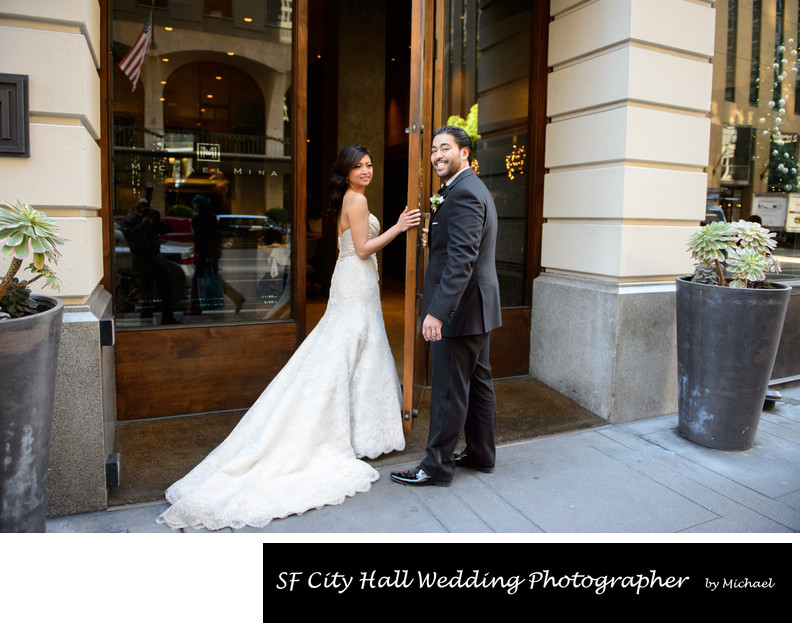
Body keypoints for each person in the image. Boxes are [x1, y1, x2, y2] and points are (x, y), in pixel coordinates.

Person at [156, 145, 420, 529]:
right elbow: (363, 249)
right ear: (345, 172)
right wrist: (398, 227)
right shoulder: (357, 201)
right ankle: (351, 432)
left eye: (369, 164)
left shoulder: (352, 199)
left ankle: (356, 430)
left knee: (349, 350)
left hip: (352, 280)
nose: (366, 171)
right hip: (355, 279)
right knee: (350, 349)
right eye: (358, 166)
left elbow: (352, 250)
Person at [391, 125, 502, 487]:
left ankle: (436, 467)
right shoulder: (464, 189)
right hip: (476, 309)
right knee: (479, 382)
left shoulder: (465, 193)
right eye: (434, 149)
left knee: (447, 390)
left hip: (461, 310)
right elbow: (459, 248)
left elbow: (462, 261)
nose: (437, 155)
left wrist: (437, 312)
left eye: (445, 148)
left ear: (464, 153)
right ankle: (481, 454)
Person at [120, 198, 177, 324]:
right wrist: (142, 225)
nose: (143, 211)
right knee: (146, 292)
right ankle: (146, 319)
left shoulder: (151, 219)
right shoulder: (128, 221)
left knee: (166, 288)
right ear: (136, 209)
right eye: (141, 208)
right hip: (140, 259)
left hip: (155, 256)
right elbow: (131, 235)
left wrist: (156, 219)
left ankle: (168, 317)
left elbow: (166, 229)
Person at [188, 194, 245, 315]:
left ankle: (195, 308)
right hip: (209, 252)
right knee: (213, 278)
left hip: (208, 252)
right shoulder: (207, 216)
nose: (193, 205)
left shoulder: (205, 217)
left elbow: (210, 237)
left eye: (195, 203)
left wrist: (208, 254)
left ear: (198, 205)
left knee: (199, 279)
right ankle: (237, 298)